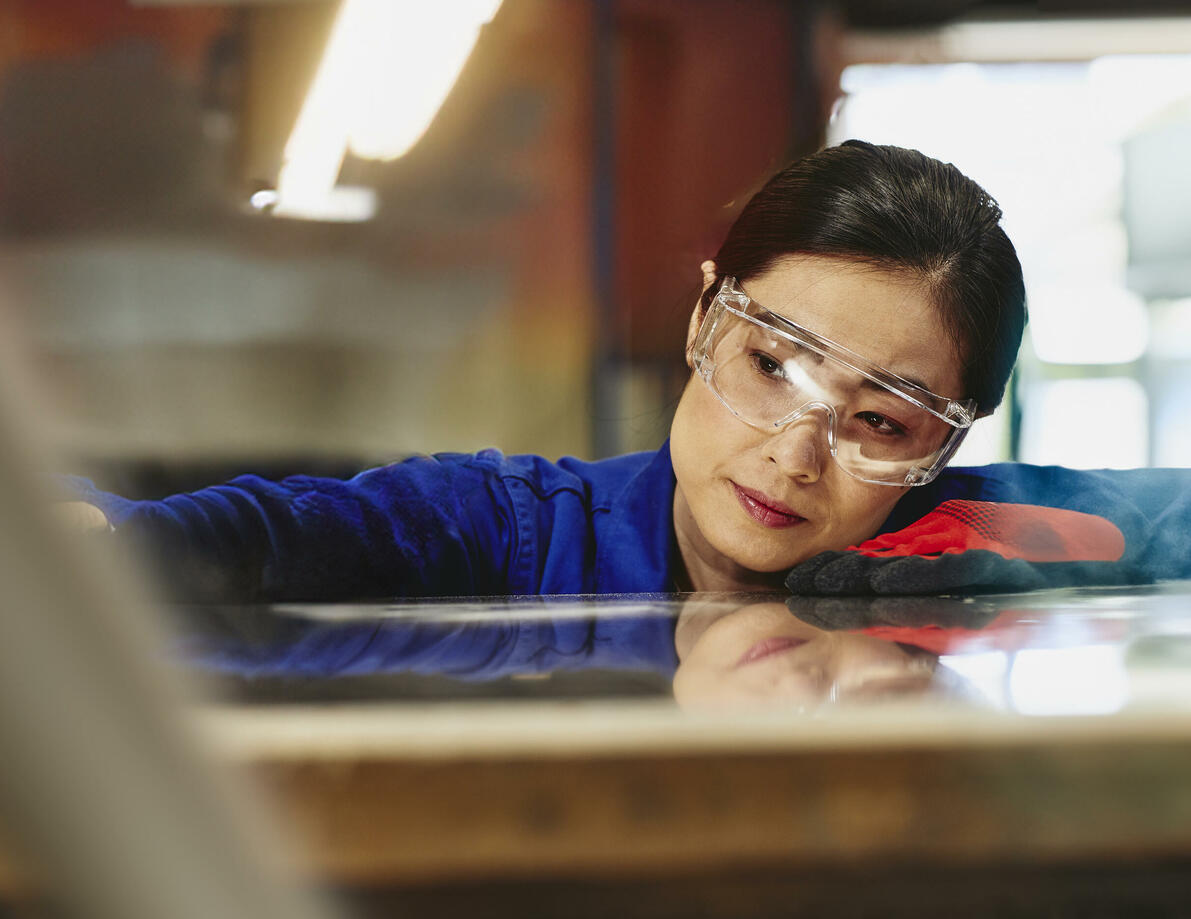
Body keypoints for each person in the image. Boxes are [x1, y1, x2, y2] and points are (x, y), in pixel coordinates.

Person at [60, 140, 1191, 599]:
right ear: (708, 316)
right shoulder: (525, 528)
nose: (795, 454)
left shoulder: (975, 528)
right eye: (772, 362)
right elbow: (313, 526)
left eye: (882, 426)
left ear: (948, 441)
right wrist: (109, 536)